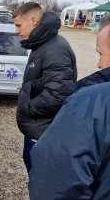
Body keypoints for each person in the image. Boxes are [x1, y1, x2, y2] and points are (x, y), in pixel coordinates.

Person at [29, 15, 110, 199]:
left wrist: (29, 109)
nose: (99, 64)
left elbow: (55, 184)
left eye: (101, 54)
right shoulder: (38, 46)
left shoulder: (93, 101)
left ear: (33, 21)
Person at [13, 2, 77, 173]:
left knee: (40, 181)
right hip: (39, 130)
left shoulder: (54, 48)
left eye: (19, 25)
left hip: (43, 133)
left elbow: (57, 94)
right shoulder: (42, 44)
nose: (16, 31)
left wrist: (27, 109)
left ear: (33, 20)